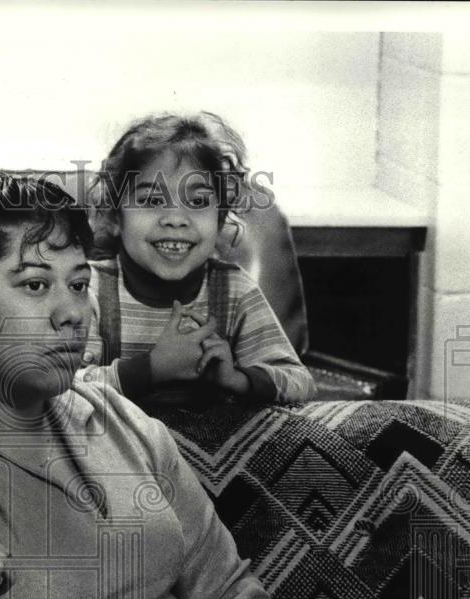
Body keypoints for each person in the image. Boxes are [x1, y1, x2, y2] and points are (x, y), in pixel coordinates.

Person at [0, 175, 300, 599]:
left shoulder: (125, 423)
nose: (71, 313)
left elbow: (224, 592)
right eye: (35, 285)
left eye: (78, 285)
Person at [80, 112, 316, 406]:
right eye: (153, 200)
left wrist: (237, 379)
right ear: (116, 217)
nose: (177, 219)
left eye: (198, 201)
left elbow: (299, 382)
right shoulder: (88, 290)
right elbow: (60, 390)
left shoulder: (235, 291)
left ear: (218, 221)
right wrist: (149, 370)